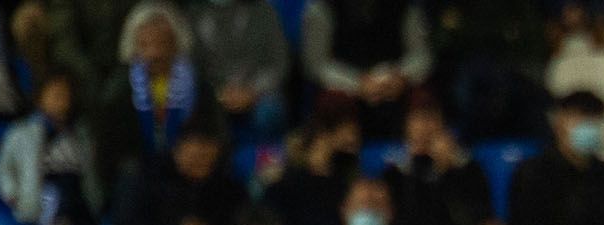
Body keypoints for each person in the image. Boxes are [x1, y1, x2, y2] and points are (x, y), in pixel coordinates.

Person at [94, 3, 220, 192]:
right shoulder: (119, 91)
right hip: (140, 177)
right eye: (146, 45)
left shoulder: (197, 85)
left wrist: (197, 150)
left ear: (176, 44)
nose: (155, 54)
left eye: (162, 43)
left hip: (188, 173)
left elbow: (214, 132)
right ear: (134, 47)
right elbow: (109, 151)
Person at [507, 90, 604, 225]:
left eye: (593, 119)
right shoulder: (531, 172)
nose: (587, 126)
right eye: (578, 118)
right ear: (558, 122)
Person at [0, 70, 103, 225]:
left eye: (66, 95)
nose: (62, 101)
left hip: (76, 191)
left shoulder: (80, 133)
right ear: (40, 98)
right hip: (43, 189)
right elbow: (2, 167)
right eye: (56, 95)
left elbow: (88, 173)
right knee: (58, 193)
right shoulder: (21, 132)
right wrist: (11, 193)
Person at [301, 0, 432, 139]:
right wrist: (357, 84)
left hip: (395, 84)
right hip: (345, 86)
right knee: (333, 105)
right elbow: (316, 64)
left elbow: (422, 55)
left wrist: (402, 76)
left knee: (423, 101)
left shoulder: (406, 6)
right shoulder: (322, 7)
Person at [384, 104, 496, 225]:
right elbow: (400, 224)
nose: (424, 127)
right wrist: (415, 169)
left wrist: (447, 171)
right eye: (417, 119)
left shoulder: (469, 171)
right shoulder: (394, 175)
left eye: (430, 118)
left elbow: (475, 223)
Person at [110, 125, 242, 225]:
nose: (203, 167)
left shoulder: (223, 187)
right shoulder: (142, 182)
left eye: (210, 162)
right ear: (177, 149)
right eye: (197, 159)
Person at [189, 0, 290, 141]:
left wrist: (253, 90)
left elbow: (278, 63)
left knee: (268, 113)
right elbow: (193, 66)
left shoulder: (264, 11)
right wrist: (218, 92)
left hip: (259, 91)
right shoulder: (195, 13)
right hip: (214, 92)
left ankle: (265, 160)